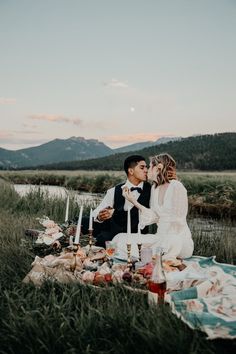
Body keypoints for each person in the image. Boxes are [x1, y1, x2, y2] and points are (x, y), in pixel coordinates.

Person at [113, 153, 194, 261]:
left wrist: (155, 242)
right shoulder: (154, 188)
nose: (147, 170)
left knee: (169, 242)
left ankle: (156, 254)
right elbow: (154, 217)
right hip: (159, 238)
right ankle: (154, 254)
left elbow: (178, 220)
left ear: (159, 168)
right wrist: (133, 200)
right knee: (120, 238)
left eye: (150, 166)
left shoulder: (176, 186)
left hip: (178, 239)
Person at [88, 155, 152, 248]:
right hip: (115, 239)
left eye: (146, 167)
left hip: (139, 240)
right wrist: (100, 217)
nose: (146, 170)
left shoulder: (152, 190)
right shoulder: (114, 191)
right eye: (142, 167)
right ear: (131, 171)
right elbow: (95, 214)